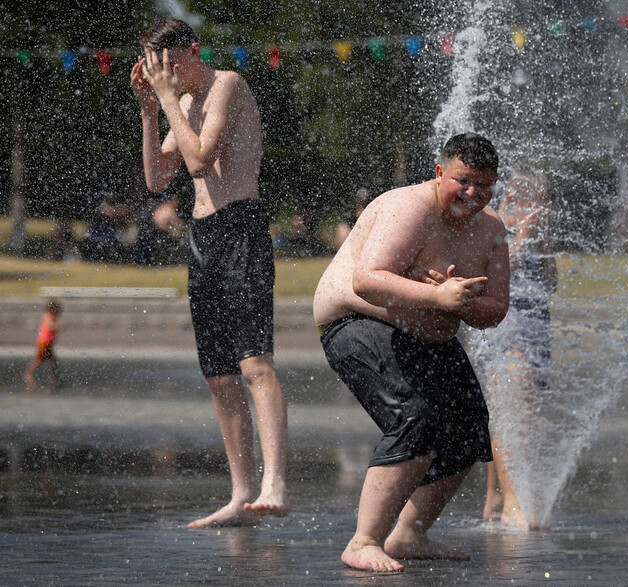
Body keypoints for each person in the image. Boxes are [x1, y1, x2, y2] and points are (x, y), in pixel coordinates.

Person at [313, 133, 509, 571]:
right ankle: (364, 541)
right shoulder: (410, 208)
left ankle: (409, 535)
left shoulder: (492, 229)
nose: (472, 193)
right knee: (415, 415)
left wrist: (461, 303)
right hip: (355, 320)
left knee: (468, 426)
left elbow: (496, 308)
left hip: (428, 335)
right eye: (462, 181)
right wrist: (436, 297)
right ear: (440, 173)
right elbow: (367, 279)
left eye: (483, 185)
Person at [131, 17, 289, 528]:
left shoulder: (227, 85)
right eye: (154, 65)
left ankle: (274, 483)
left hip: (241, 227)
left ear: (193, 51)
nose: (163, 71)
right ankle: (241, 495)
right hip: (203, 237)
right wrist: (150, 110)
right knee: (219, 374)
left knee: (254, 363)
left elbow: (200, 160)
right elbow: (158, 179)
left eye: (167, 62)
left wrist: (168, 101)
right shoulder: (181, 104)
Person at [472, 169, 557, 529]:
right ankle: (513, 503)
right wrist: (523, 236)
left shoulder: (534, 235)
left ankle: (495, 497)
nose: (543, 210)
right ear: (514, 200)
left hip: (535, 337)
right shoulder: (494, 228)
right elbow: (496, 276)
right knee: (513, 416)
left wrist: (543, 242)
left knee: (510, 415)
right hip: (505, 335)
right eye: (538, 202)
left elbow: (551, 283)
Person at [24, 299, 62, 394]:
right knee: (38, 360)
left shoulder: (50, 317)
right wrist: (58, 326)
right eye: (58, 310)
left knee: (53, 362)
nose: (59, 313)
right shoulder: (48, 317)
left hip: (48, 344)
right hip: (43, 344)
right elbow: (50, 325)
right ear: (53, 310)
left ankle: (54, 379)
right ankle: (29, 375)